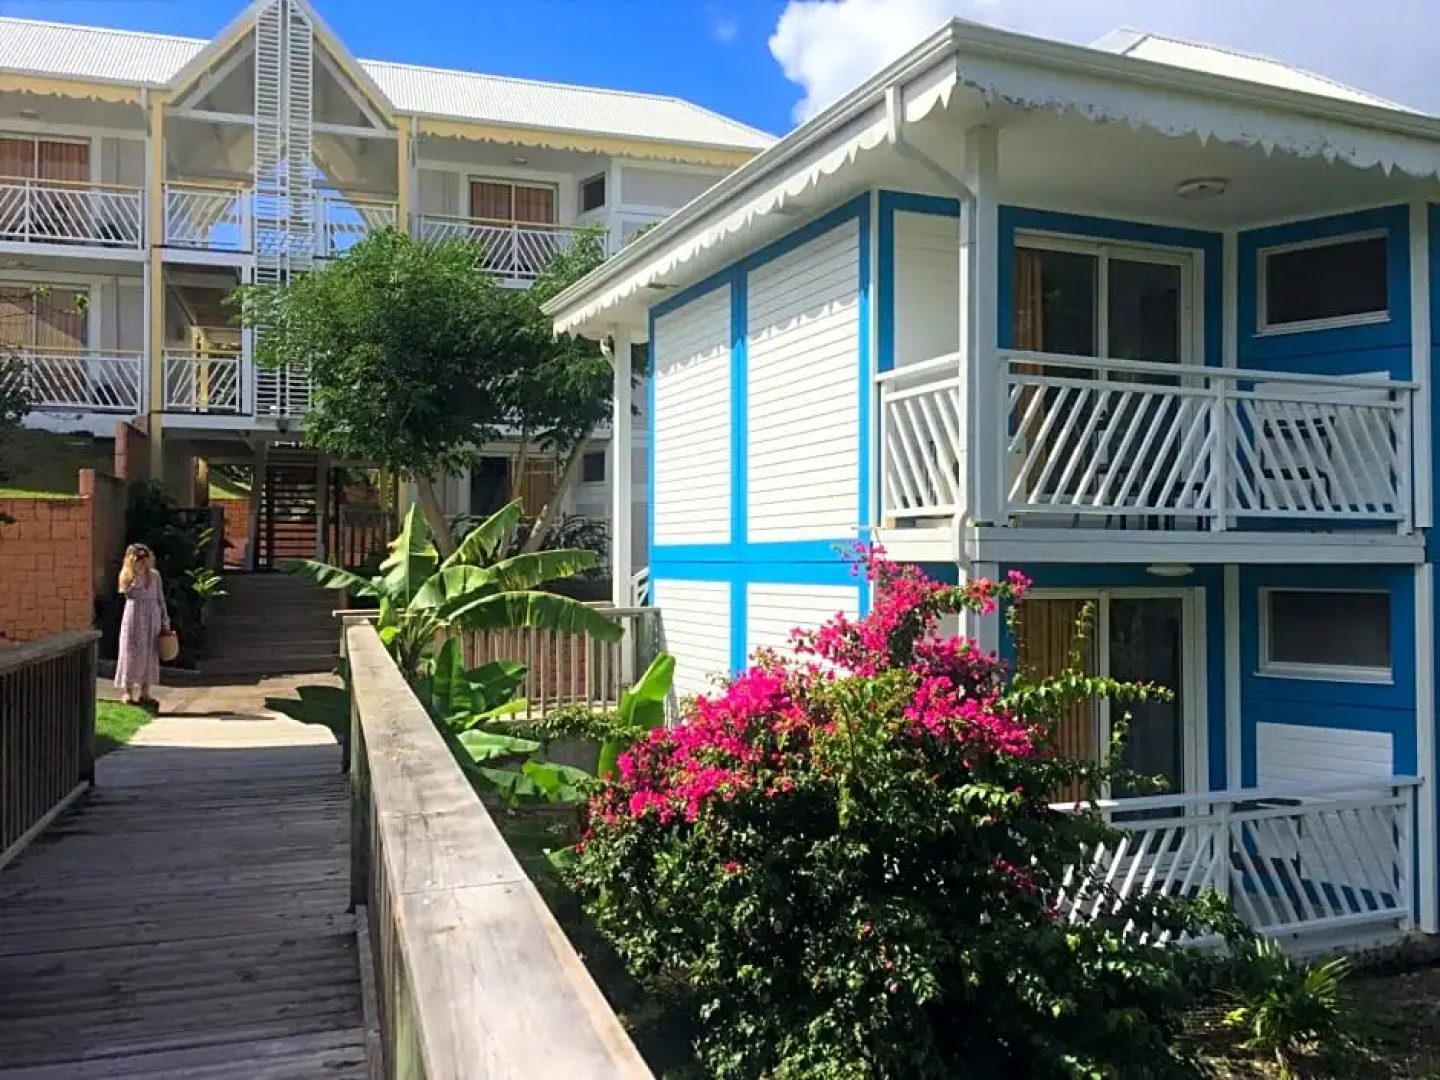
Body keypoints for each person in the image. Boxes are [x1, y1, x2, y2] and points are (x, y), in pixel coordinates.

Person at [115, 543, 170, 708]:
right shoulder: (127, 575)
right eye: (138, 558)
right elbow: (127, 593)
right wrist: (135, 574)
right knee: (131, 651)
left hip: (152, 616)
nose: (142, 561)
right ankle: (128, 691)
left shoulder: (155, 576)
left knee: (149, 653)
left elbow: (160, 598)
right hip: (135, 617)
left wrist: (165, 619)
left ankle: (145, 692)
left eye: (144, 558)